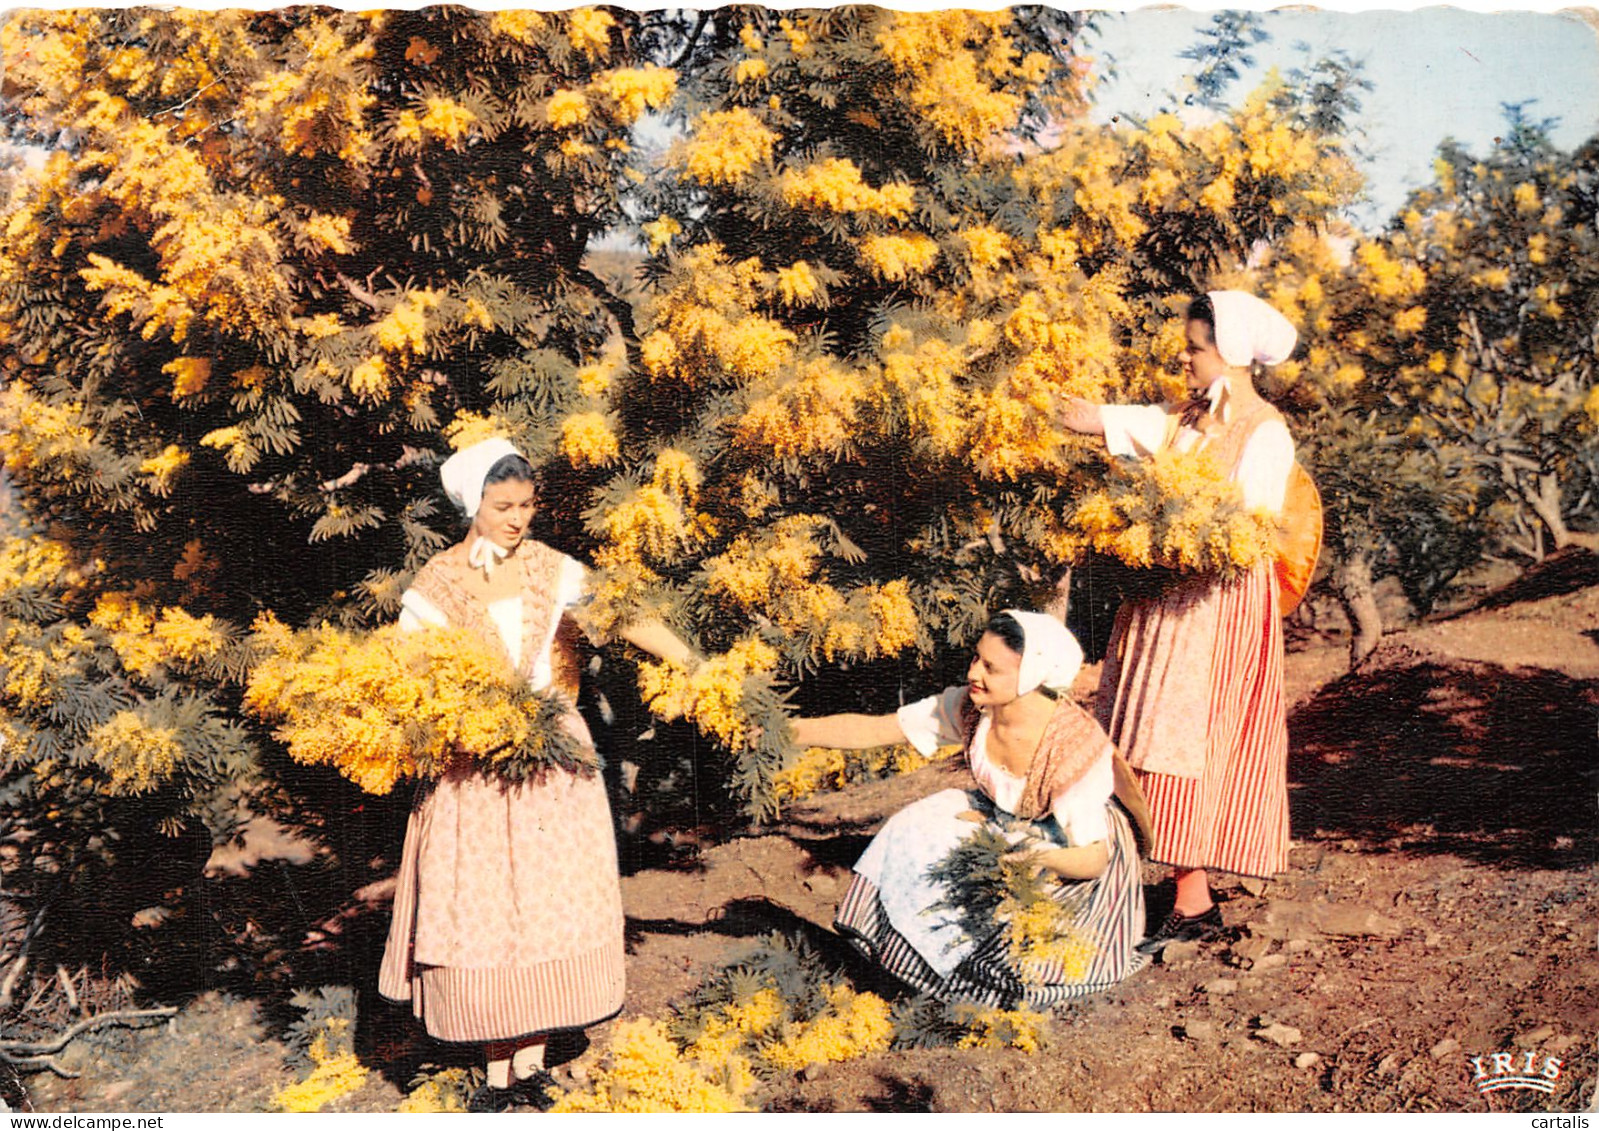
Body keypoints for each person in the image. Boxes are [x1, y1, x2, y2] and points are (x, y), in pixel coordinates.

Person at [376, 437, 696, 1112]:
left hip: (554, 759)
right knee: (490, 905)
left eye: (525, 504)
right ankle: (494, 1070)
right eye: (502, 506)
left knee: (549, 898)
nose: (517, 518)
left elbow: (624, 615)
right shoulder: (438, 582)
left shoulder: (555, 569)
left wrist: (694, 663)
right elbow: (403, 670)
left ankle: (532, 1061)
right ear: (473, 505)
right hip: (475, 762)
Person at [1058, 290, 1299, 954]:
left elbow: (1248, 530)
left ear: (1229, 353)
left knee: (1185, 740)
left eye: (1194, 348)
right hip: (1164, 596)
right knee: (1142, 731)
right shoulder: (1188, 415)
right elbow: (1131, 423)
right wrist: (1068, 411)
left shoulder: (1264, 431)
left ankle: (1189, 899)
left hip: (1211, 607)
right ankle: (1171, 893)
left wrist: (1174, 540)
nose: (1184, 358)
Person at [791, 611, 1148, 1009]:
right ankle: (905, 965)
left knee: (1007, 916)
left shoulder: (1071, 747)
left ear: (1031, 675)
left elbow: (1093, 858)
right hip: (1007, 821)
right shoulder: (972, 709)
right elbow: (878, 729)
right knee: (913, 825)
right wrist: (795, 732)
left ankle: (969, 985)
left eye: (991, 668)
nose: (974, 672)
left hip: (1069, 851)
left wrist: (1037, 859)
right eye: (977, 658)